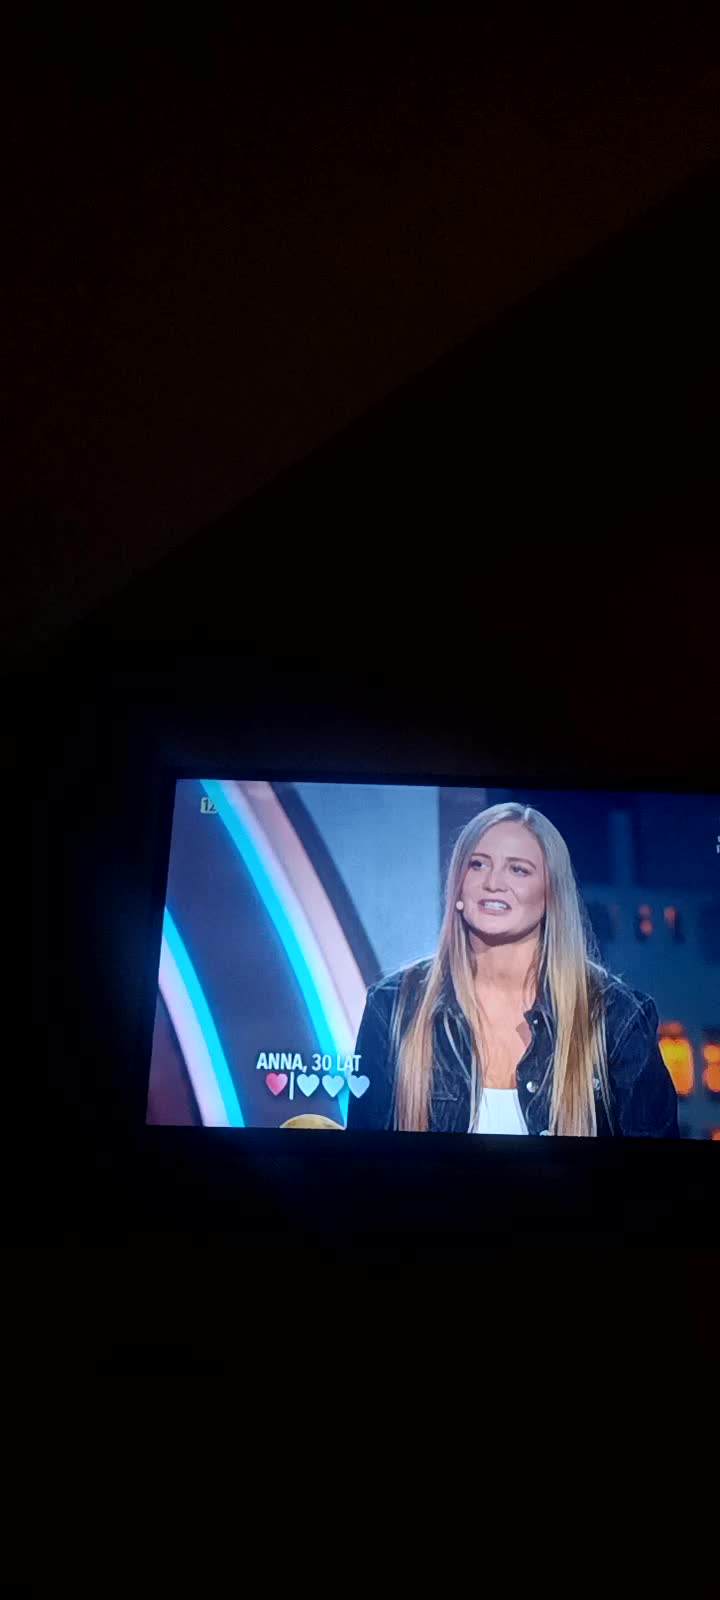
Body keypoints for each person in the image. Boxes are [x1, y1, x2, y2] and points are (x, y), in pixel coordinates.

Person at [348, 803, 678, 1137]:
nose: (493, 883)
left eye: (518, 870)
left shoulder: (615, 1016)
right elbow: (363, 1159)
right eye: (477, 864)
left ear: (551, 893)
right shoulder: (394, 1006)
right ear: (458, 885)